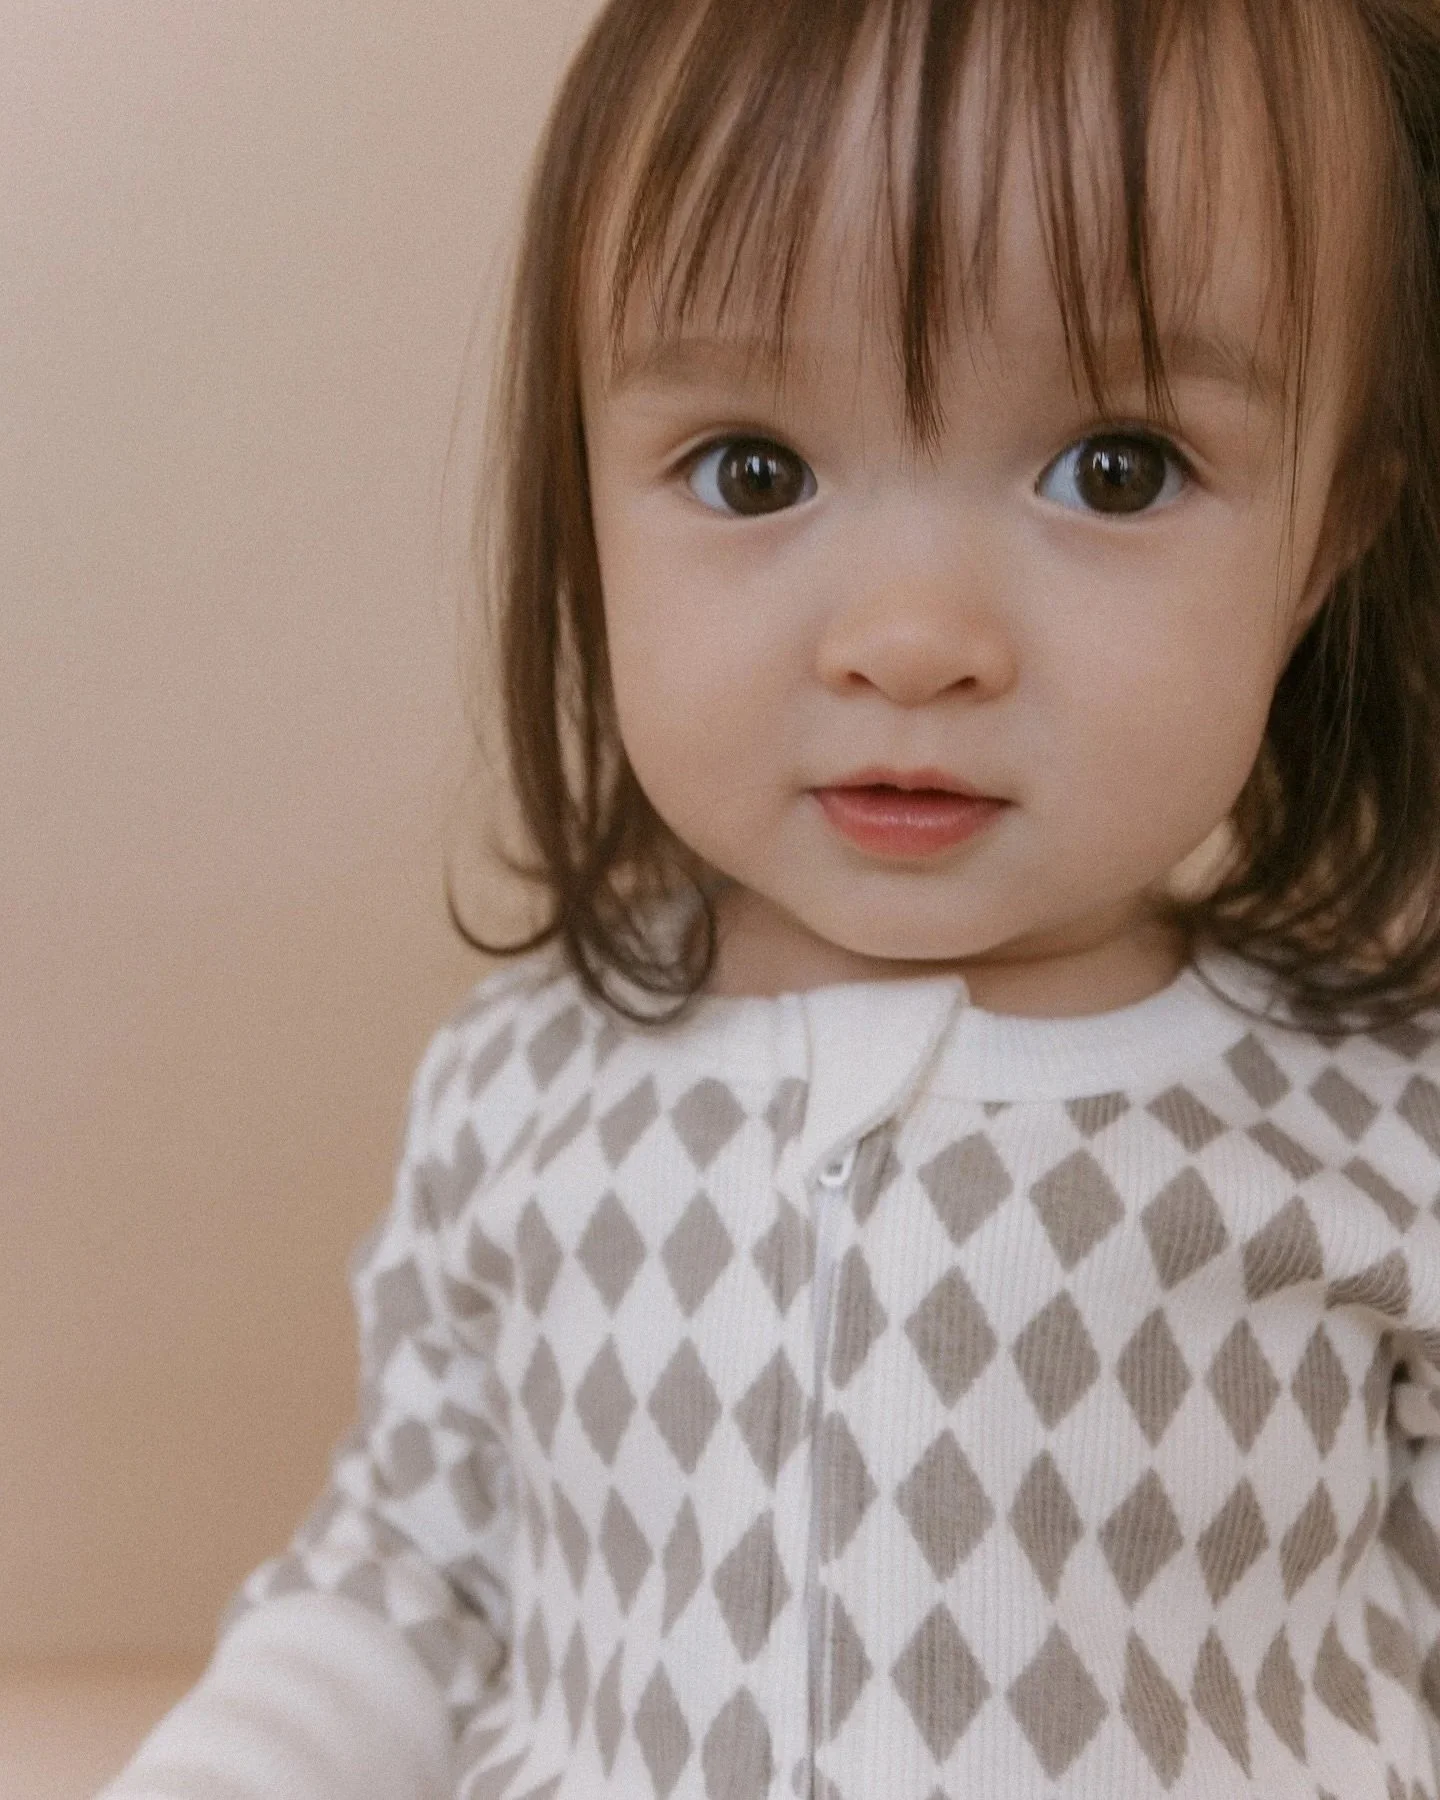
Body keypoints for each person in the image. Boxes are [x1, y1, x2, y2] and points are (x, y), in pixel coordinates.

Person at [102, 0, 1440, 1793]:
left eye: (1116, 469)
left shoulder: (1377, 1129)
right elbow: (407, 1585)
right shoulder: (523, 1094)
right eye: (756, 470)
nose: (912, 641)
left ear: (1326, 541)